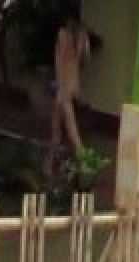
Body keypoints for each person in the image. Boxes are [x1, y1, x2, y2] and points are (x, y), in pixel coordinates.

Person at [47, 2, 92, 177]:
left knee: (71, 132)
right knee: (56, 129)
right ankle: (49, 165)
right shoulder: (82, 36)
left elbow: (59, 62)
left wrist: (58, 83)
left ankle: (85, 163)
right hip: (74, 85)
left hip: (63, 87)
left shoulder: (63, 34)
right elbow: (86, 61)